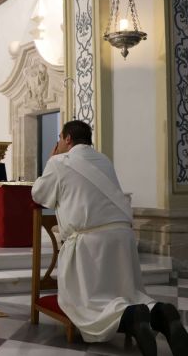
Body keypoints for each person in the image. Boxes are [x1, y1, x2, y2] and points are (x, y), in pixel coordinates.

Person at [32, 120, 188, 356]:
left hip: (91, 243)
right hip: (122, 237)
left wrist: (50, 161)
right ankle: (161, 311)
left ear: (67, 139)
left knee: (85, 305)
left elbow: (39, 193)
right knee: (125, 293)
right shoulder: (104, 160)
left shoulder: (60, 162)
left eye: (61, 139)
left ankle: (132, 318)